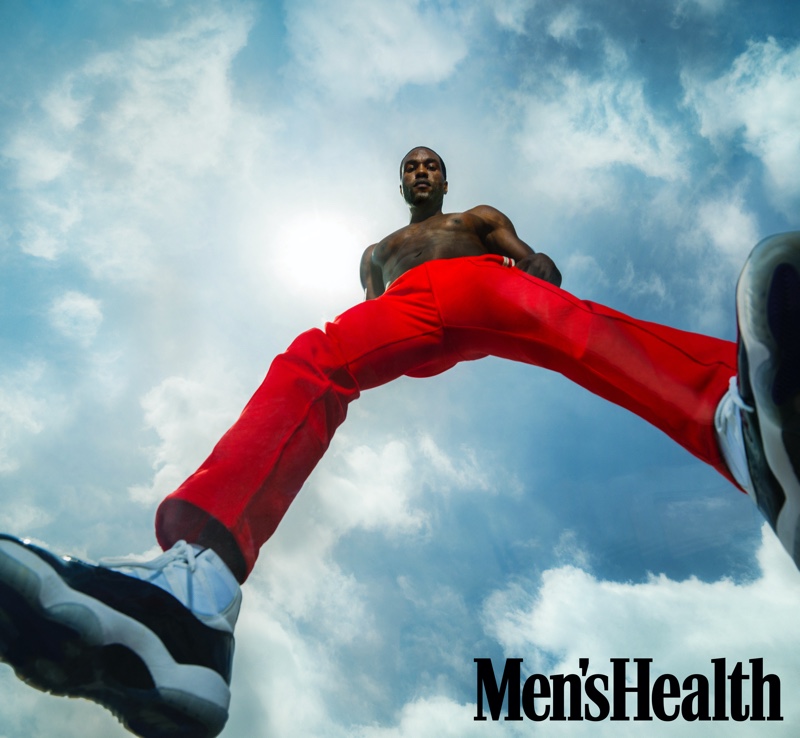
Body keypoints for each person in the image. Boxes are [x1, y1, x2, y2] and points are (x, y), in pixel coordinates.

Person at [0, 146, 798, 738]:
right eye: (412, 166)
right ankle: (189, 601)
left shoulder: (474, 218)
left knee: (579, 328)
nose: (422, 172)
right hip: (410, 306)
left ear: (444, 182)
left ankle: (742, 425)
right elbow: (374, 305)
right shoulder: (375, 253)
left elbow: (531, 263)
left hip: (487, 282)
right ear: (402, 183)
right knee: (311, 359)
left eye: (431, 165)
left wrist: (534, 269)